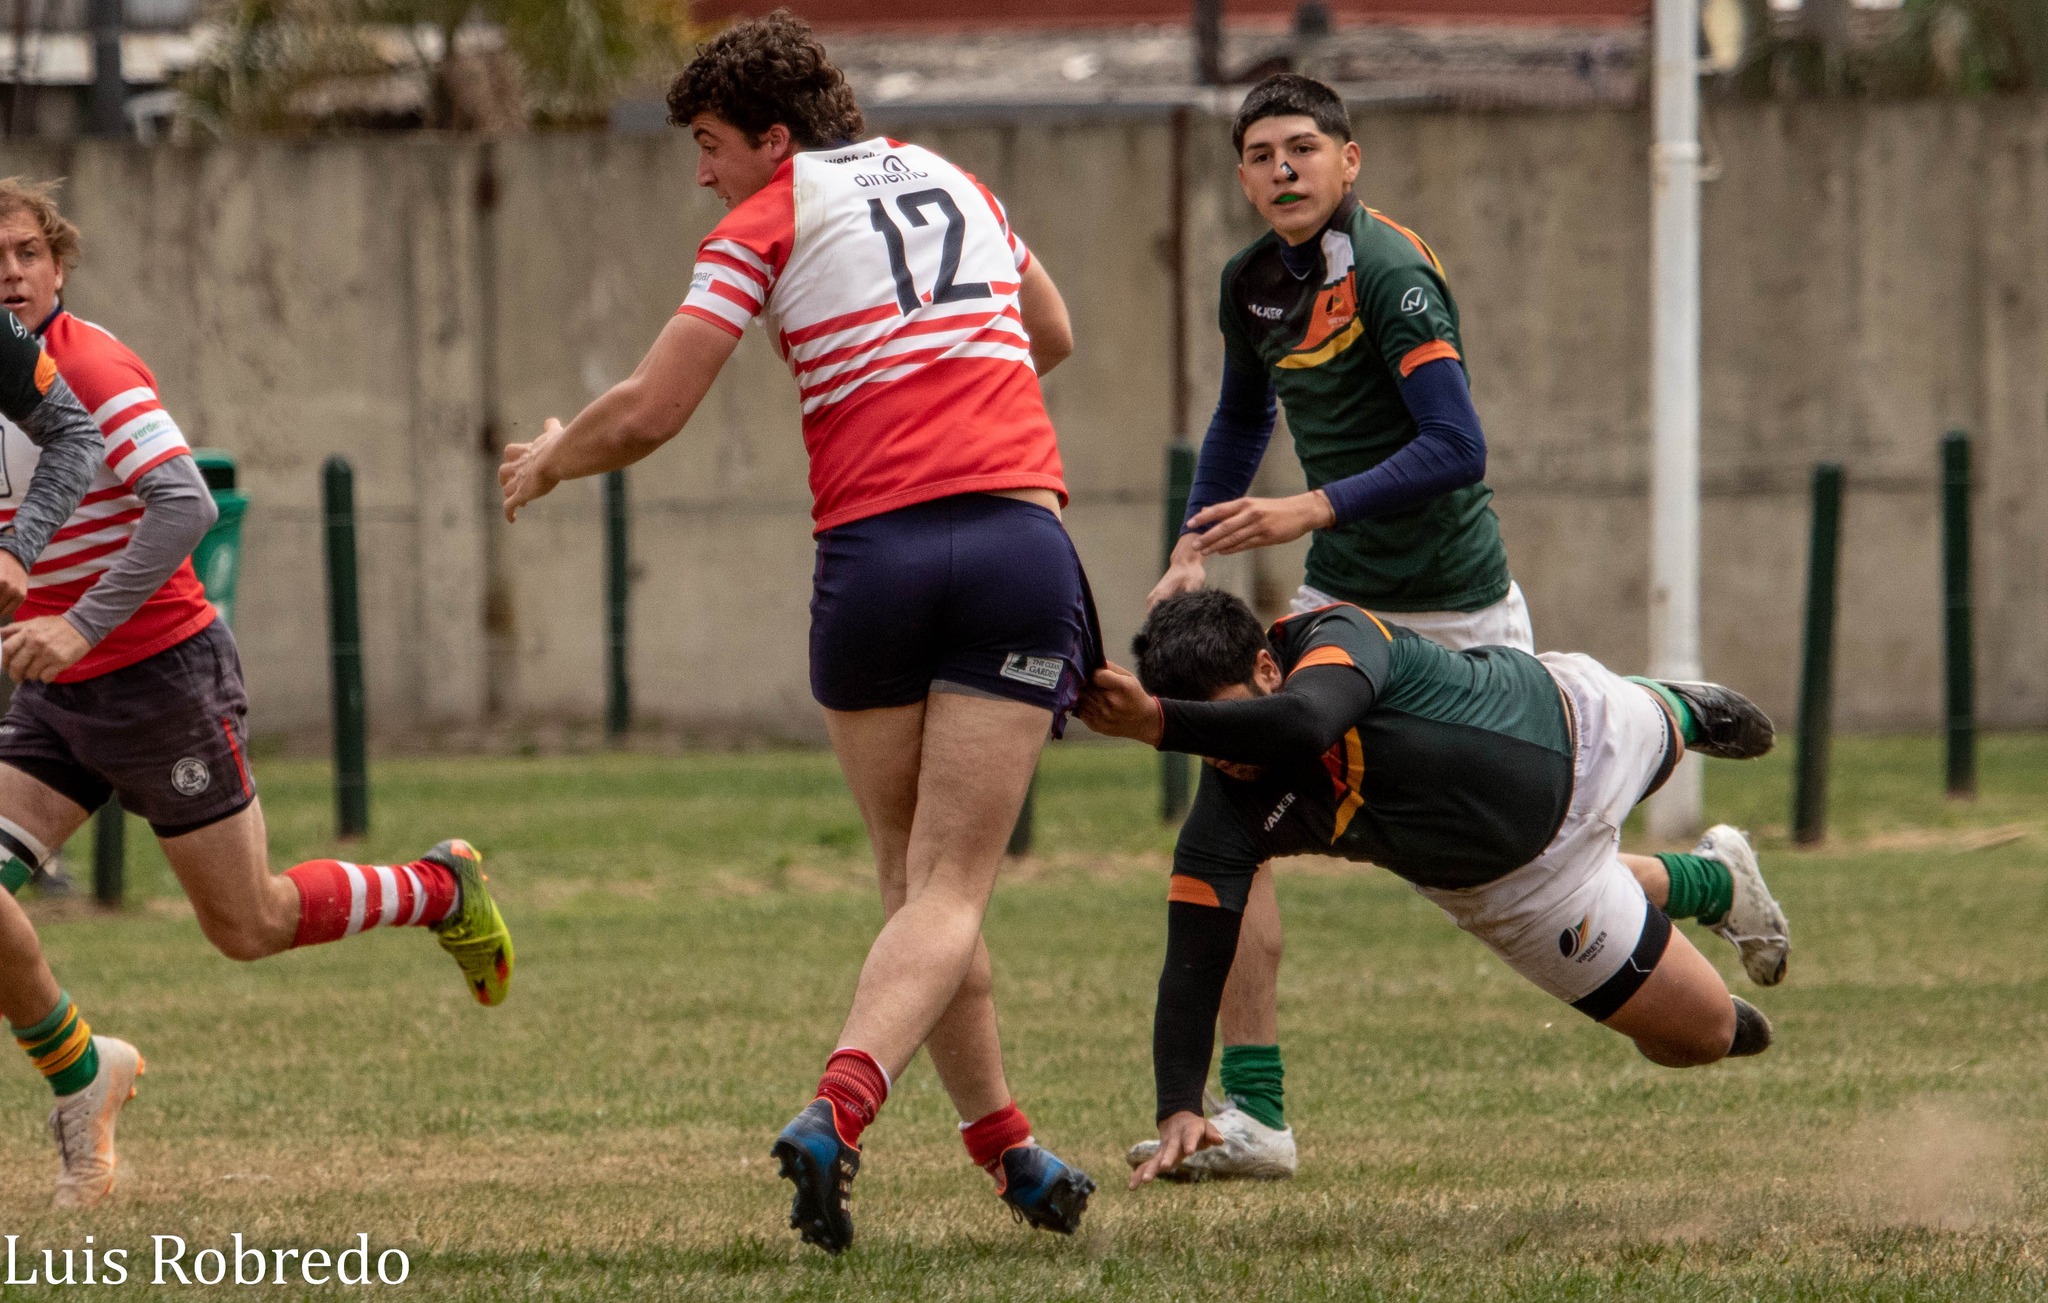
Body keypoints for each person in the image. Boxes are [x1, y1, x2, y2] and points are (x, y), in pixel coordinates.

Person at [496, 13, 1095, 1254]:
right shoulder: (955, 178)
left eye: (710, 146)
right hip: (1013, 545)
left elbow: (654, 408)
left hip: (875, 557)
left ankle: (941, 1135)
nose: (701, 173)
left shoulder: (766, 219)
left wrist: (554, 457)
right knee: (944, 892)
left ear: (776, 140)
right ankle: (982, 1143)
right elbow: (1052, 335)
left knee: (912, 886)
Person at [1134, 75, 1787, 1178]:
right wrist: (1190, 544)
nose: (1281, 168)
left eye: (1303, 146)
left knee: (1506, 831)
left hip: (1456, 600)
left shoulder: (1391, 272)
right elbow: (1243, 412)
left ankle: (1700, 865)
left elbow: (1456, 447)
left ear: (1350, 161)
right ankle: (1253, 1112)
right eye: (1259, 154)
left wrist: (1304, 506)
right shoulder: (1249, 285)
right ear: (1242, 177)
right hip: (1341, 597)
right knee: (1240, 813)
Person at [0, 178, 514, 1208]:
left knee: (249, 924)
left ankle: (437, 888)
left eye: (24, 252)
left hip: (159, 681)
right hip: (54, 695)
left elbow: (186, 504)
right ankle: (80, 1070)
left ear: (59, 265)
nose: (8, 274)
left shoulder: (91, 370)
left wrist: (78, 620)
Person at [1080, 590, 1785, 1185]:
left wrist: (1157, 722)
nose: (1226, 755)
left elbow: (1305, 722)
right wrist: (1176, 1104)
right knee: (1703, 1034)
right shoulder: (1224, 821)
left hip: (1578, 727)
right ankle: (1712, 879)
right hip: (1517, 890)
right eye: (1206, 744)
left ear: (1269, 666)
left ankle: (1672, 706)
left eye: (1226, 722)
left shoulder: (1334, 635)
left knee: (1690, 727)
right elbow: (1193, 960)